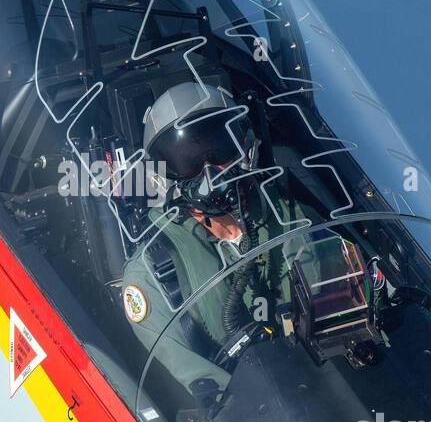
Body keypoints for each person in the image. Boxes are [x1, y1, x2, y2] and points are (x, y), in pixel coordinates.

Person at [121, 80, 303, 397]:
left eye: (220, 148)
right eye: (186, 160)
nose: (209, 172)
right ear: (162, 175)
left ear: (245, 146)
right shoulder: (151, 278)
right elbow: (212, 401)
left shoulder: (289, 214)